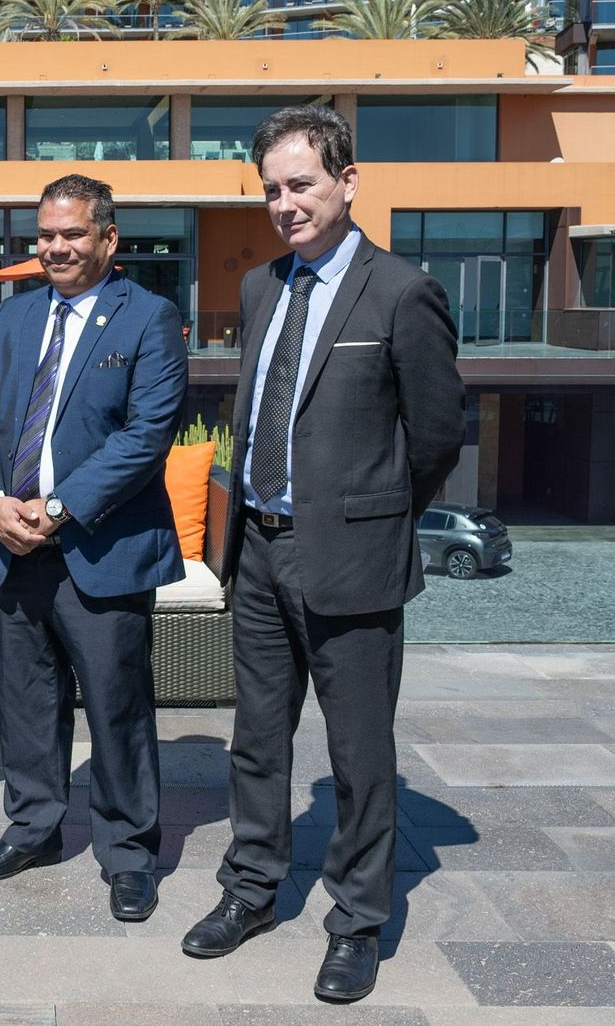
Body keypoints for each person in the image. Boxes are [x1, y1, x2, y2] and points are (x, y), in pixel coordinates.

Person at [182, 105, 463, 1002]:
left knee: (358, 755)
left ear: (348, 181)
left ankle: (357, 923)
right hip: (259, 554)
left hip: (350, 561)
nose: (284, 204)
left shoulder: (401, 291)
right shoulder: (265, 287)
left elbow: (438, 436)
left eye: (300, 184)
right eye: (271, 189)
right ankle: (252, 890)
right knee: (256, 743)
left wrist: (373, 518)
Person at [0, 174, 188, 922]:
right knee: (27, 701)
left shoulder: (148, 318)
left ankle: (127, 853)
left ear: (108, 239)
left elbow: (146, 436)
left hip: (101, 544)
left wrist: (54, 509)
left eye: (72, 234)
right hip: (15, 544)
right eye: (46, 235)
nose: (56, 248)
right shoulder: (15, 320)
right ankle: (34, 829)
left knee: (117, 708)